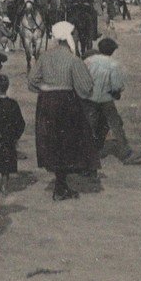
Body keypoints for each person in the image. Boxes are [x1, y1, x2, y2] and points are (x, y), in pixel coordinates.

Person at [28, 21, 97, 201]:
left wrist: (45, 88)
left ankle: (60, 184)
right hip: (66, 103)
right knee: (68, 143)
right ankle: (60, 187)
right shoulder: (73, 59)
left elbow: (32, 80)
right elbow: (86, 87)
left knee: (52, 143)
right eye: (74, 34)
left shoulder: (44, 56)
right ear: (68, 37)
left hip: (46, 103)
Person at [83, 38, 141, 165]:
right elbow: (117, 86)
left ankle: (86, 155)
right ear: (112, 51)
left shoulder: (88, 61)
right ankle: (126, 154)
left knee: (89, 125)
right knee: (116, 125)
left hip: (88, 99)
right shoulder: (113, 64)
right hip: (105, 99)